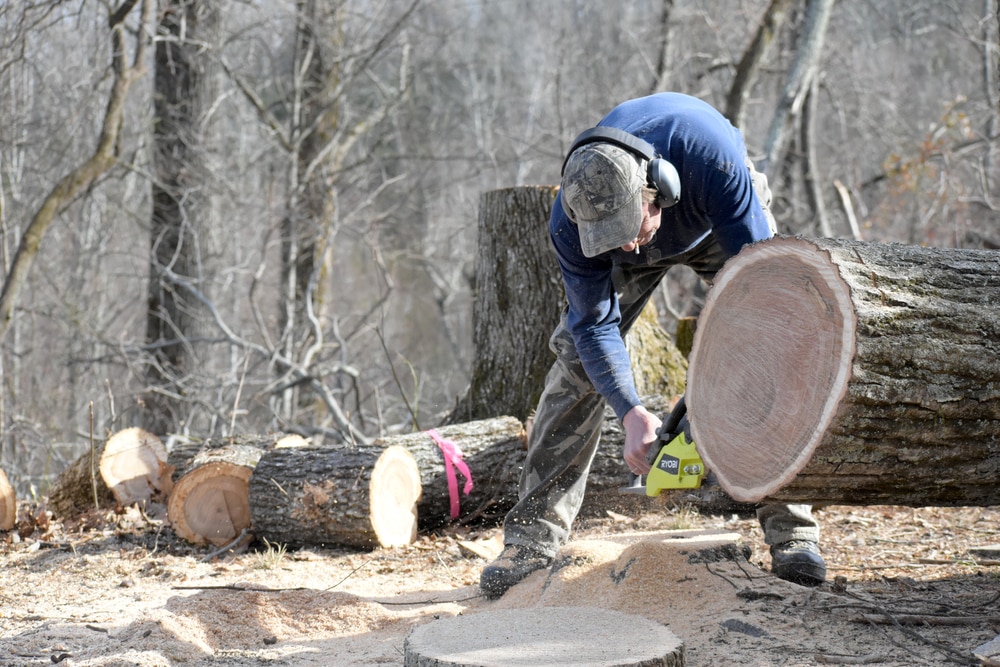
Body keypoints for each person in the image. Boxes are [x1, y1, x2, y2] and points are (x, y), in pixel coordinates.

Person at [479, 92, 826, 599]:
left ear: (657, 189)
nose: (628, 246)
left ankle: (793, 530)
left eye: (629, 230)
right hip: (648, 219)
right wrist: (630, 410)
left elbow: (764, 299)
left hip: (716, 226)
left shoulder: (711, 161)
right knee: (576, 366)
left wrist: (705, 395)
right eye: (611, 237)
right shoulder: (573, 226)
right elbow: (593, 327)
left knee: (771, 350)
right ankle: (531, 539)